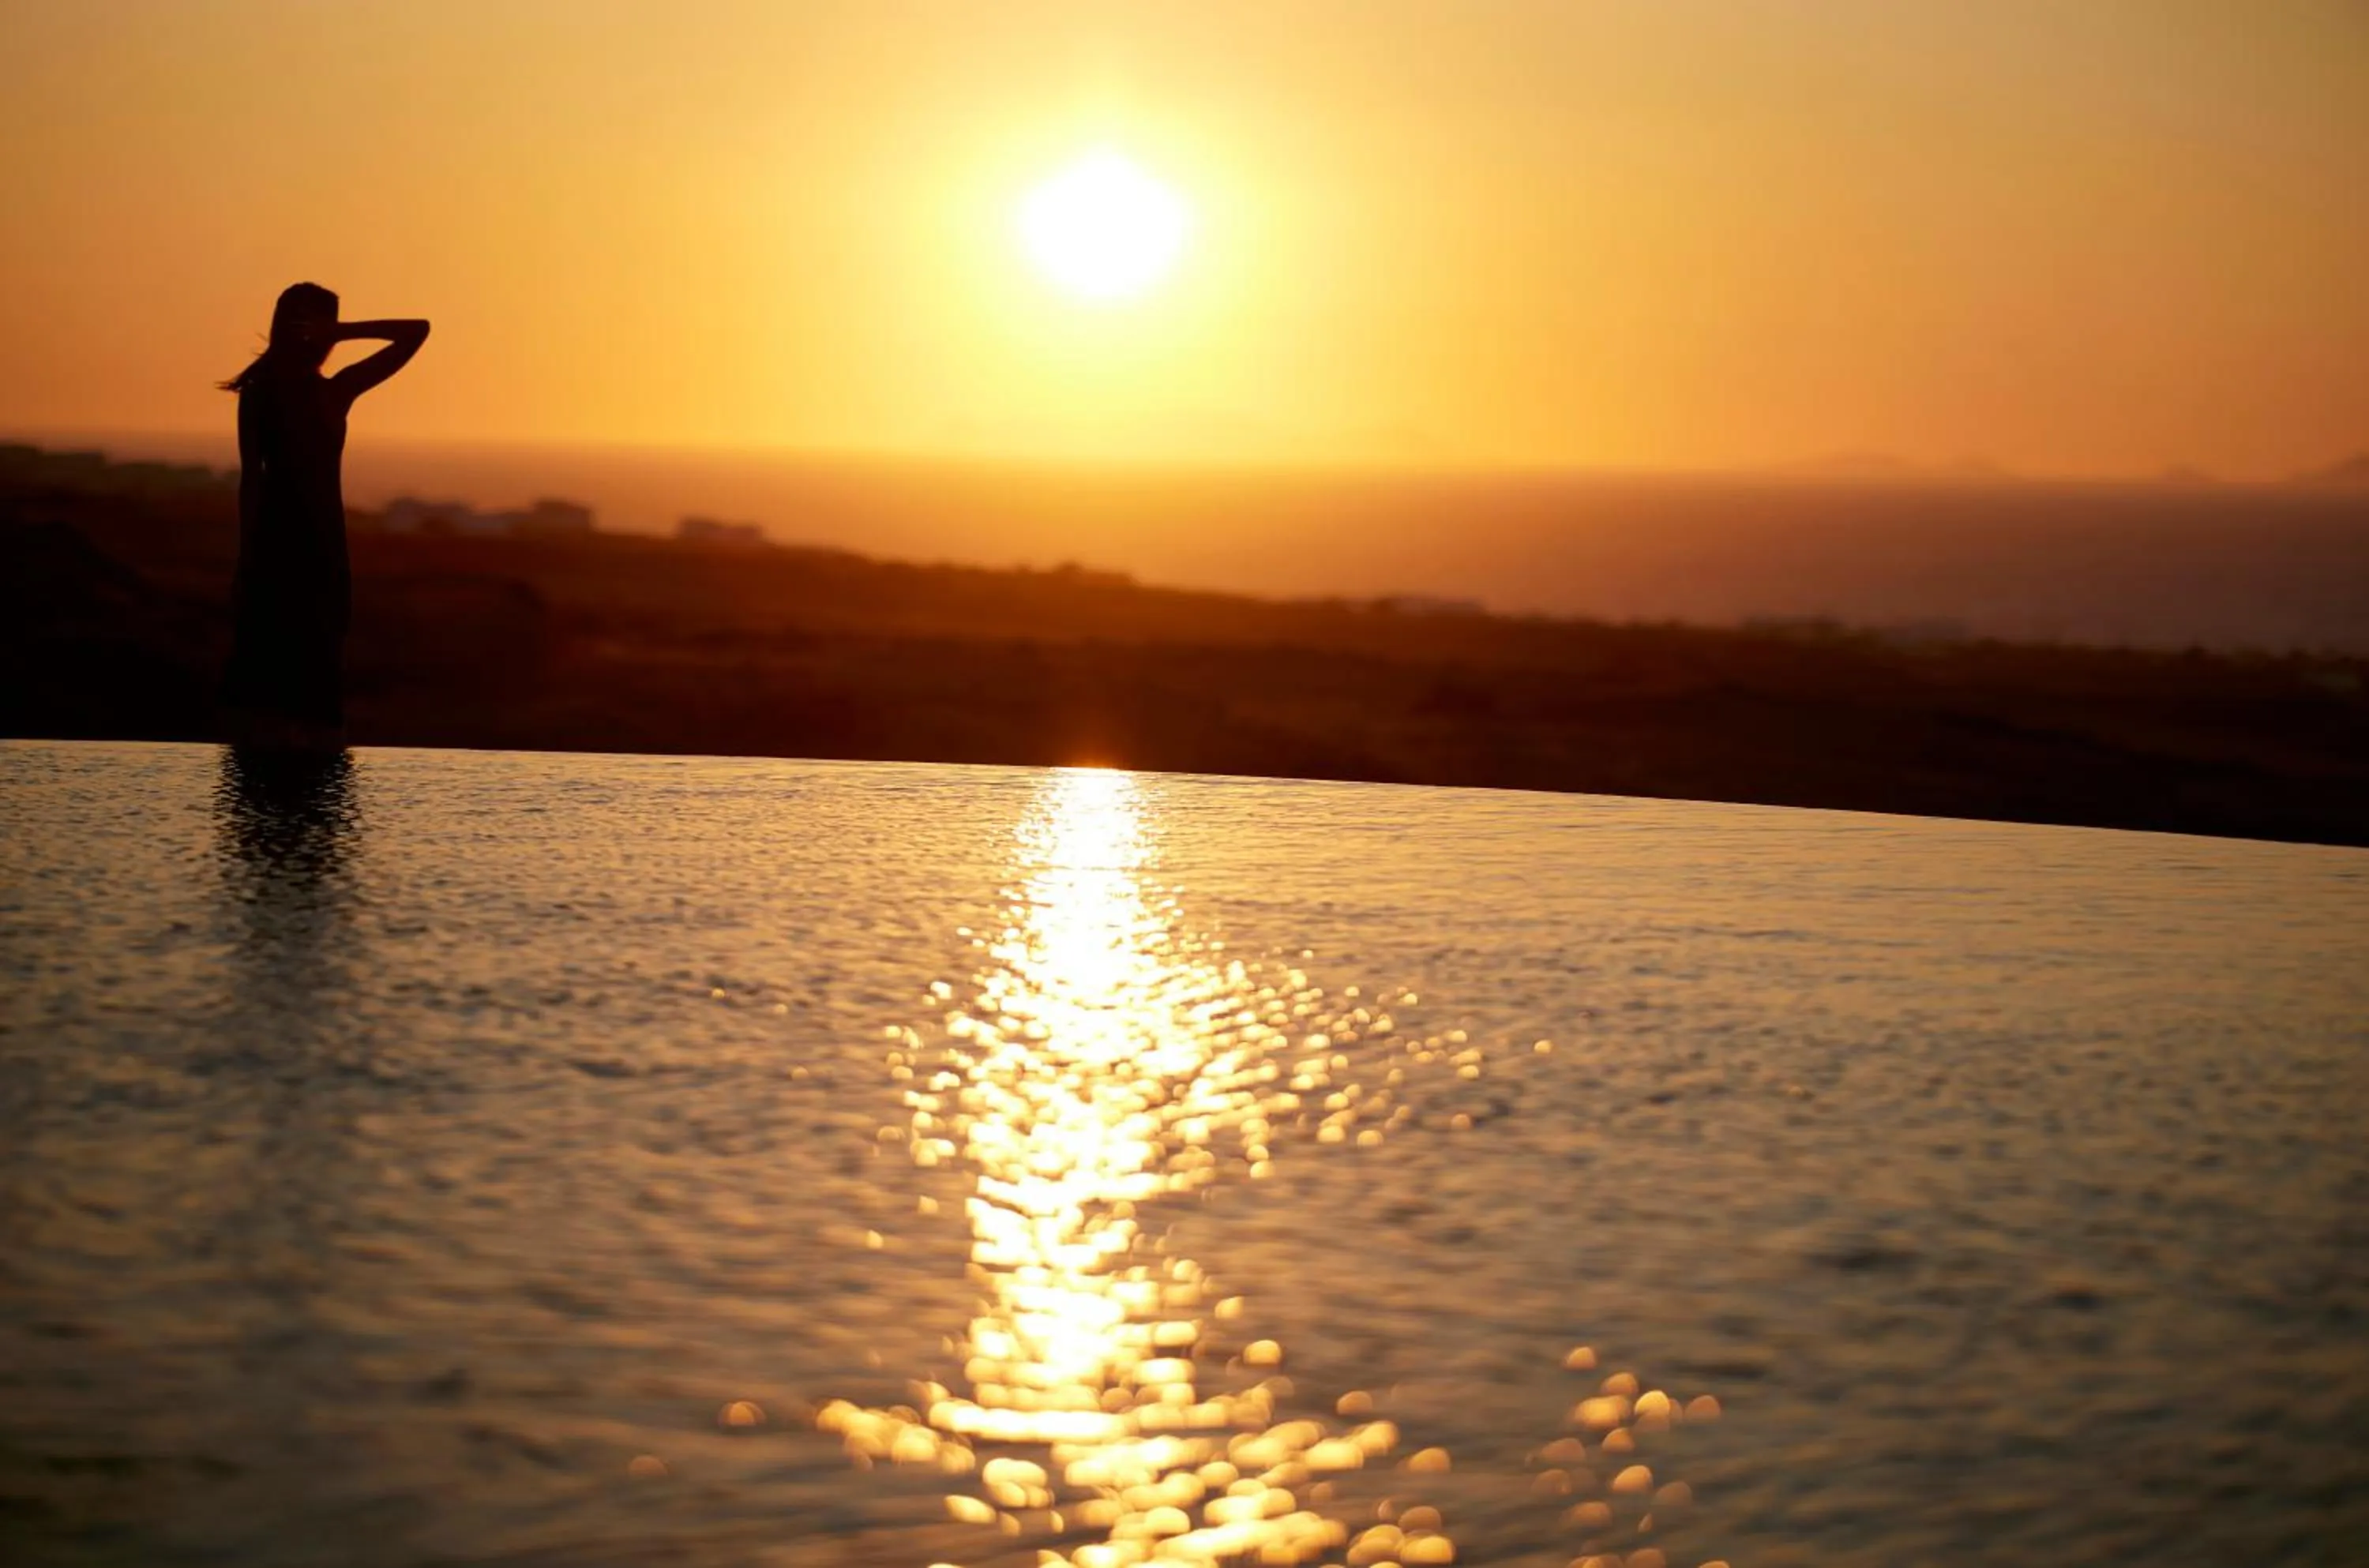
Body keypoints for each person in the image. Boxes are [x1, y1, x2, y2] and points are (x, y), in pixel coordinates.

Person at [220, 282, 429, 747]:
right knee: (266, 676)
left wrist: (344, 329)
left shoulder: (337, 390)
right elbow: (251, 478)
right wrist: (244, 560)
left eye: (327, 325)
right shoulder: (261, 391)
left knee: (321, 671)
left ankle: (319, 791)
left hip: (324, 549)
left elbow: (417, 331)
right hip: (277, 548)